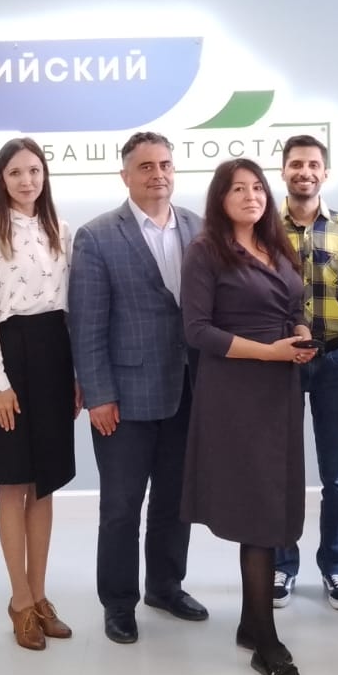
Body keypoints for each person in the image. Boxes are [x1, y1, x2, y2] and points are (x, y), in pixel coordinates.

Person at [70, 132, 209, 645]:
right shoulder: (97, 236)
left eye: (165, 164)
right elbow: (86, 326)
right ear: (125, 175)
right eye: (146, 166)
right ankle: (118, 602)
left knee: (175, 500)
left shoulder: (200, 227)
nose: (158, 174)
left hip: (188, 392)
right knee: (122, 507)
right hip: (124, 399)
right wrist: (98, 395)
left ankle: (165, 587)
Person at [182, 158, 315, 675]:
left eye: (257, 187)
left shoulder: (275, 245)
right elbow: (197, 331)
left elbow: (293, 305)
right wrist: (269, 352)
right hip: (236, 392)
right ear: (220, 198)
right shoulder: (205, 251)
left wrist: (299, 332)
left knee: (275, 500)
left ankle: (248, 622)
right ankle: (266, 641)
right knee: (258, 510)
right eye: (238, 188)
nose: (251, 196)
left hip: (280, 389)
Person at [0, 139, 77, 651]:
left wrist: (76, 375)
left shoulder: (61, 231)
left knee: (45, 485)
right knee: (15, 483)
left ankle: (40, 594)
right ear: (2, 179)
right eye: (15, 172)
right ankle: (18, 601)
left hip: (55, 353)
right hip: (12, 353)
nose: (26, 180)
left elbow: (72, 308)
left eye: (34, 170)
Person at [274, 134, 338, 610]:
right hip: (282, 365)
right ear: (283, 171)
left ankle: (335, 566)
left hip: (335, 361)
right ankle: (282, 565)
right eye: (296, 164)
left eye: (313, 164)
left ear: (325, 172)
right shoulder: (264, 228)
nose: (304, 172)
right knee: (282, 472)